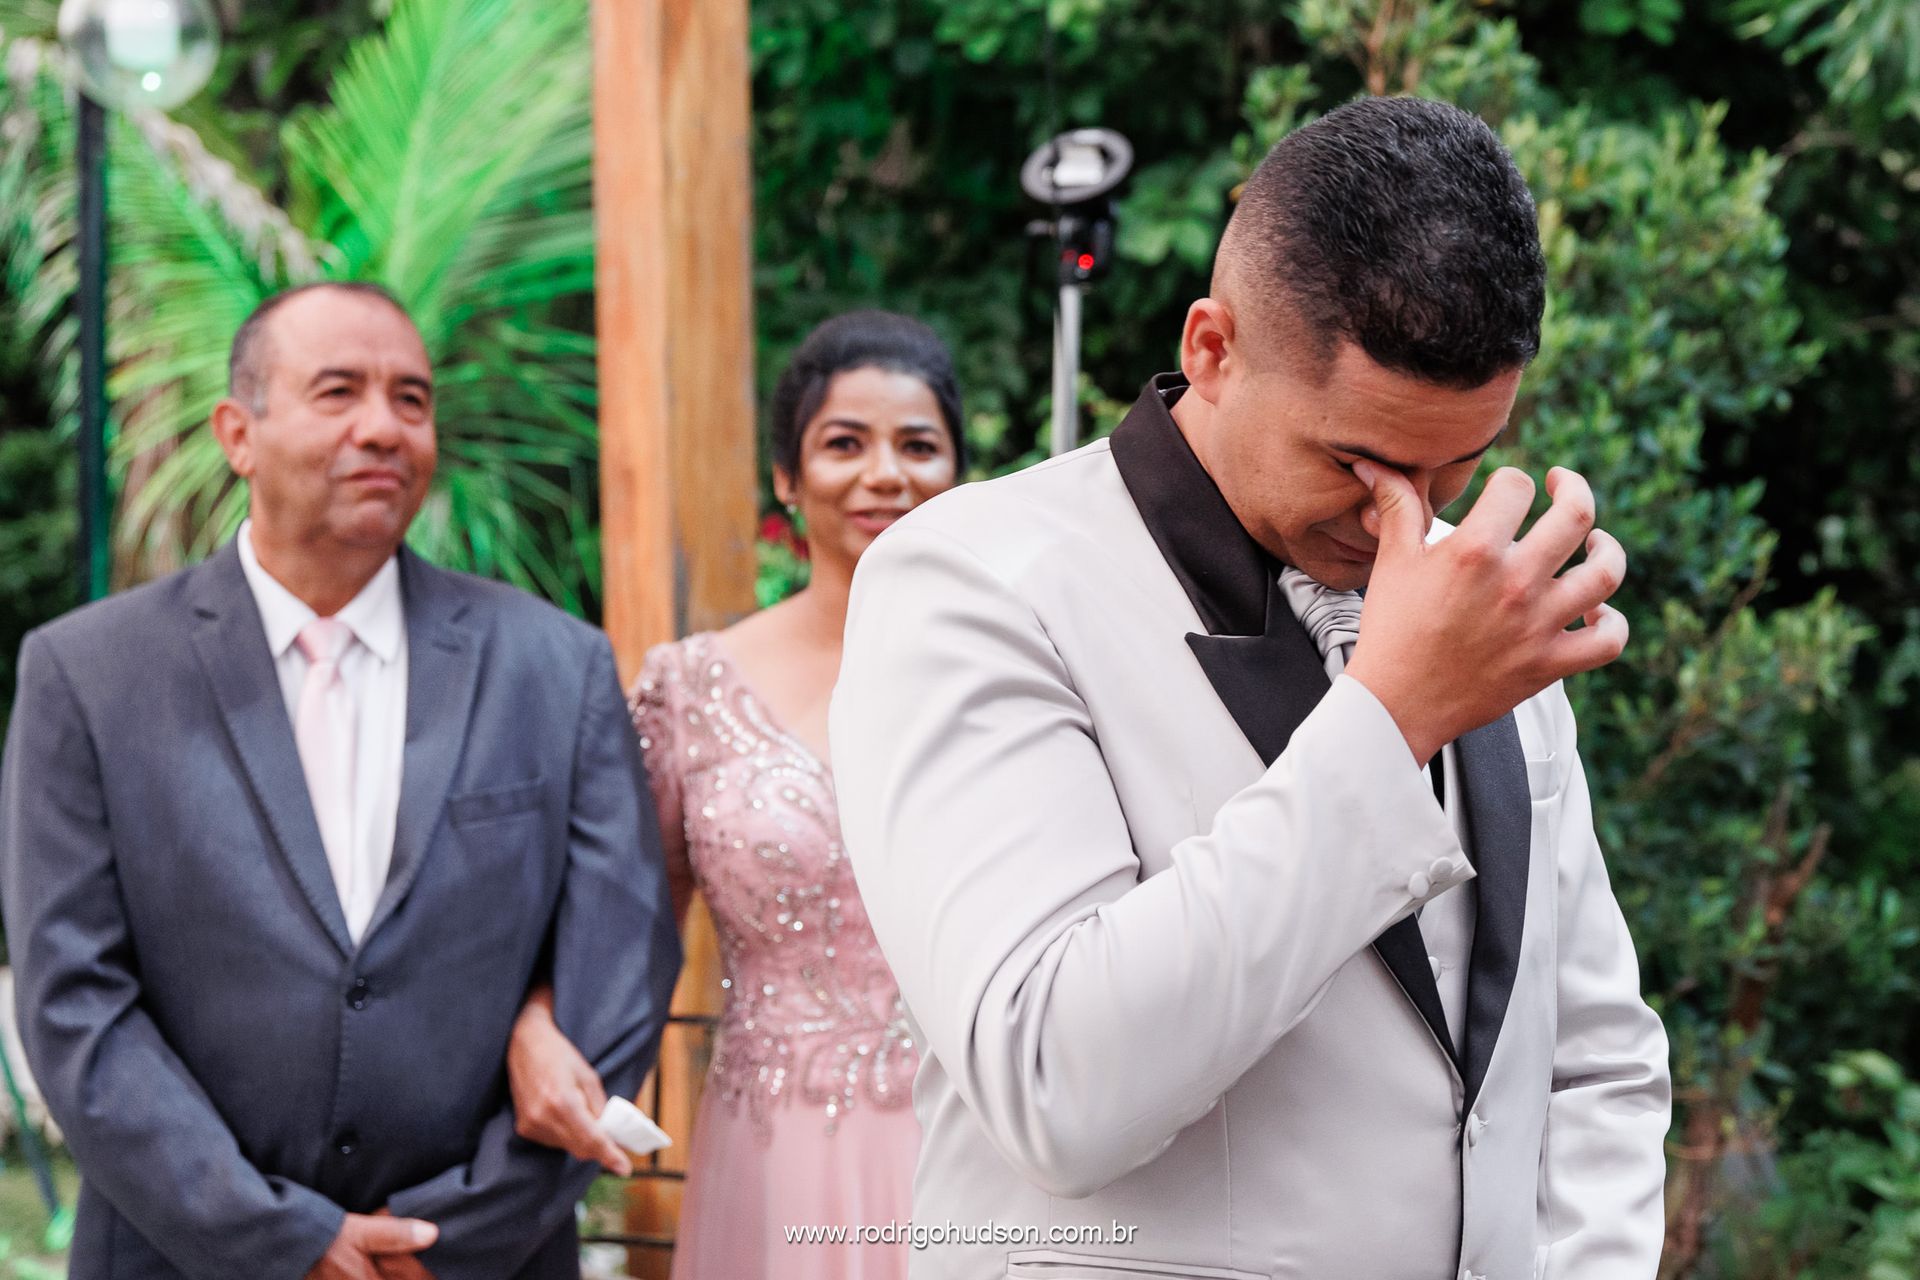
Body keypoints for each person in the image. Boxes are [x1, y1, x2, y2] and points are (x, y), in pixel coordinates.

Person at [829, 97, 1671, 1280]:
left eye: (1457, 466)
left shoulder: (1480, 605)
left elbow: (1593, 1056)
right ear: (1212, 349)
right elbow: (1053, 1083)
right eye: (1357, 461)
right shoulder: (970, 583)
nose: (1410, 520)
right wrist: (1389, 720)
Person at [0, 281, 681, 1280]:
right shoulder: (90, 675)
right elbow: (74, 1006)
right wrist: (282, 1238)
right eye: (338, 391)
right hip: (177, 1256)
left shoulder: (555, 665)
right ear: (239, 432)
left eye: (412, 398)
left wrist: (451, 1237)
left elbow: (618, 969)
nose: (384, 427)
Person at [506, 311, 966, 1279]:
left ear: (956, 476)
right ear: (789, 481)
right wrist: (542, 1020)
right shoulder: (693, 685)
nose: (885, 472)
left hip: (979, 1133)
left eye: (917, 444)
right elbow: (627, 918)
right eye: (845, 443)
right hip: (777, 1147)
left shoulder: (1016, 670)